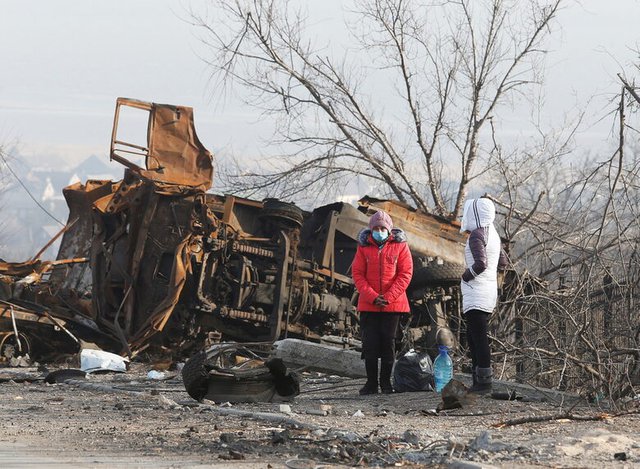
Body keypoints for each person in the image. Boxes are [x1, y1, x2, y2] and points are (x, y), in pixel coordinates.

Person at [352, 210, 413, 395]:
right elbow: (358, 274)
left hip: (392, 305)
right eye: (376, 228)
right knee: (369, 345)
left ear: (389, 229)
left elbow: (405, 274)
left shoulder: (401, 247)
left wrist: (388, 297)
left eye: (382, 228)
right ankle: (371, 383)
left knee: (388, 344)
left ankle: (386, 384)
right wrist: (372, 296)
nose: (379, 231)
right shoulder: (363, 248)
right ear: (371, 230)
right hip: (369, 305)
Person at [459, 197, 508, 393]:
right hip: (488, 290)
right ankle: (478, 381)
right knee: (475, 336)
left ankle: (483, 382)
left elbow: (481, 263)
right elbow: (503, 263)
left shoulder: (477, 235)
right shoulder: (493, 233)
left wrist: (466, 276)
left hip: (476, 291)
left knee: (477, 338)